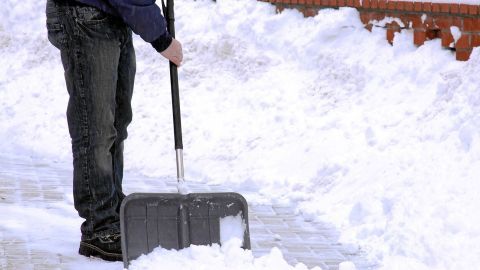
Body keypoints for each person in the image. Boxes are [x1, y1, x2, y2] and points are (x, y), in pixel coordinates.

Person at [45, 0, 183, 262]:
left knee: (116, 125)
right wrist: (161, 38)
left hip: (112, 14)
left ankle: (111, 214)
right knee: (95, 126)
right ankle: (100, 227)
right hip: (84, 14)